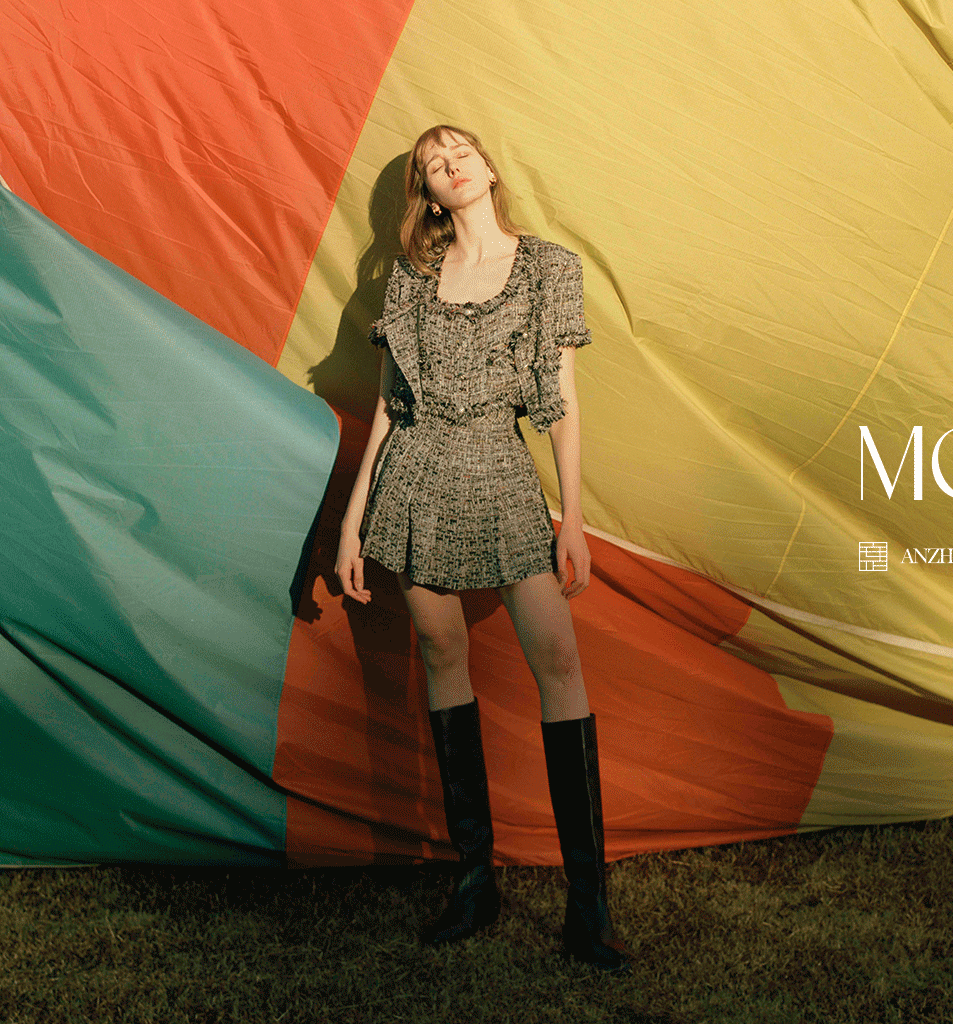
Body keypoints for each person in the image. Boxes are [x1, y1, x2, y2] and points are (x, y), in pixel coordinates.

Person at [334, 124, 627, 973]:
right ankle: (474, 881)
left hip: (500, 471)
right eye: (433, 162)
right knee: (440, 652)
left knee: (558, 665)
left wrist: (572, 518)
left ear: (490, 169)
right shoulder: (411, 281)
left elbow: (561, 401)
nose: (450, 164)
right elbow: (390, 405)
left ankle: (588, 906)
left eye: (460, 150)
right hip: (416, 477)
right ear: (427, 195)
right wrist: (354, 522)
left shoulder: (548, 268)